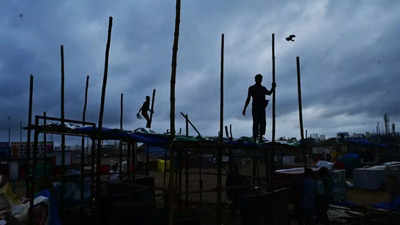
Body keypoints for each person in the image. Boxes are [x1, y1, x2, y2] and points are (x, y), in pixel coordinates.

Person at [242, 73, 276, 142]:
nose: (259, 80)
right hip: (255, 108)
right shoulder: (251, 88)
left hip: (262, 107)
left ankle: (260, 137)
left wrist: (273, 87)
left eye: (260, 79)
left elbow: (269, 93)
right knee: (256, 122)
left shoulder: (263, 88)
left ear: (261, 80)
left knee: (262, 122)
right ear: (255, 80)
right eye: (258, 79)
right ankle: (255, 138)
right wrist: (244, 108)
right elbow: (248, 99)